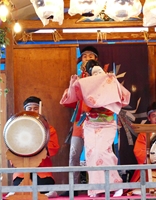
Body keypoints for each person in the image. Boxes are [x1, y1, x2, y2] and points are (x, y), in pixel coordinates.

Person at [60, 59, 131, 197]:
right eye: (95, 72)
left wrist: (113, 81)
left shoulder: (109, 80)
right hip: (90, 124)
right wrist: (72, 84)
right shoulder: (84, 84)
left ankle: (115, 185)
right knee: (91, 154)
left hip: (107, 123)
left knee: (103, 152)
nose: (98, 74)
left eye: (100, 71)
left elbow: (125, 97)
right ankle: (97, 188)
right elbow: (69, 99)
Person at [60, 45, 99, 197]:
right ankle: (73, 187)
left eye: (91, 57)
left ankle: (95, 187)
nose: (87, 59)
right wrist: (72, 86)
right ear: (80, 60)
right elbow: (68, 102)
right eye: (84, 57)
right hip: (79, 121)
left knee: (94, 155)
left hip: (96, 121)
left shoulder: (102, 78)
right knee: (74, 154)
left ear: (96, 60)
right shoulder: (77, 78)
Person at [9, 96, 60, 198]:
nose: (32, 111)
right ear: (25, 110)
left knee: (44, 191)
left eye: (35, 108)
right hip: (23, 169)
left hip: (42, 169)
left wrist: (39, 135)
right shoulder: (17, 127)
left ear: (40, 110)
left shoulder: (48, 129)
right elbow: (12, 147)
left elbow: (53, 148)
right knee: (21, 190)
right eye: (29, 109)